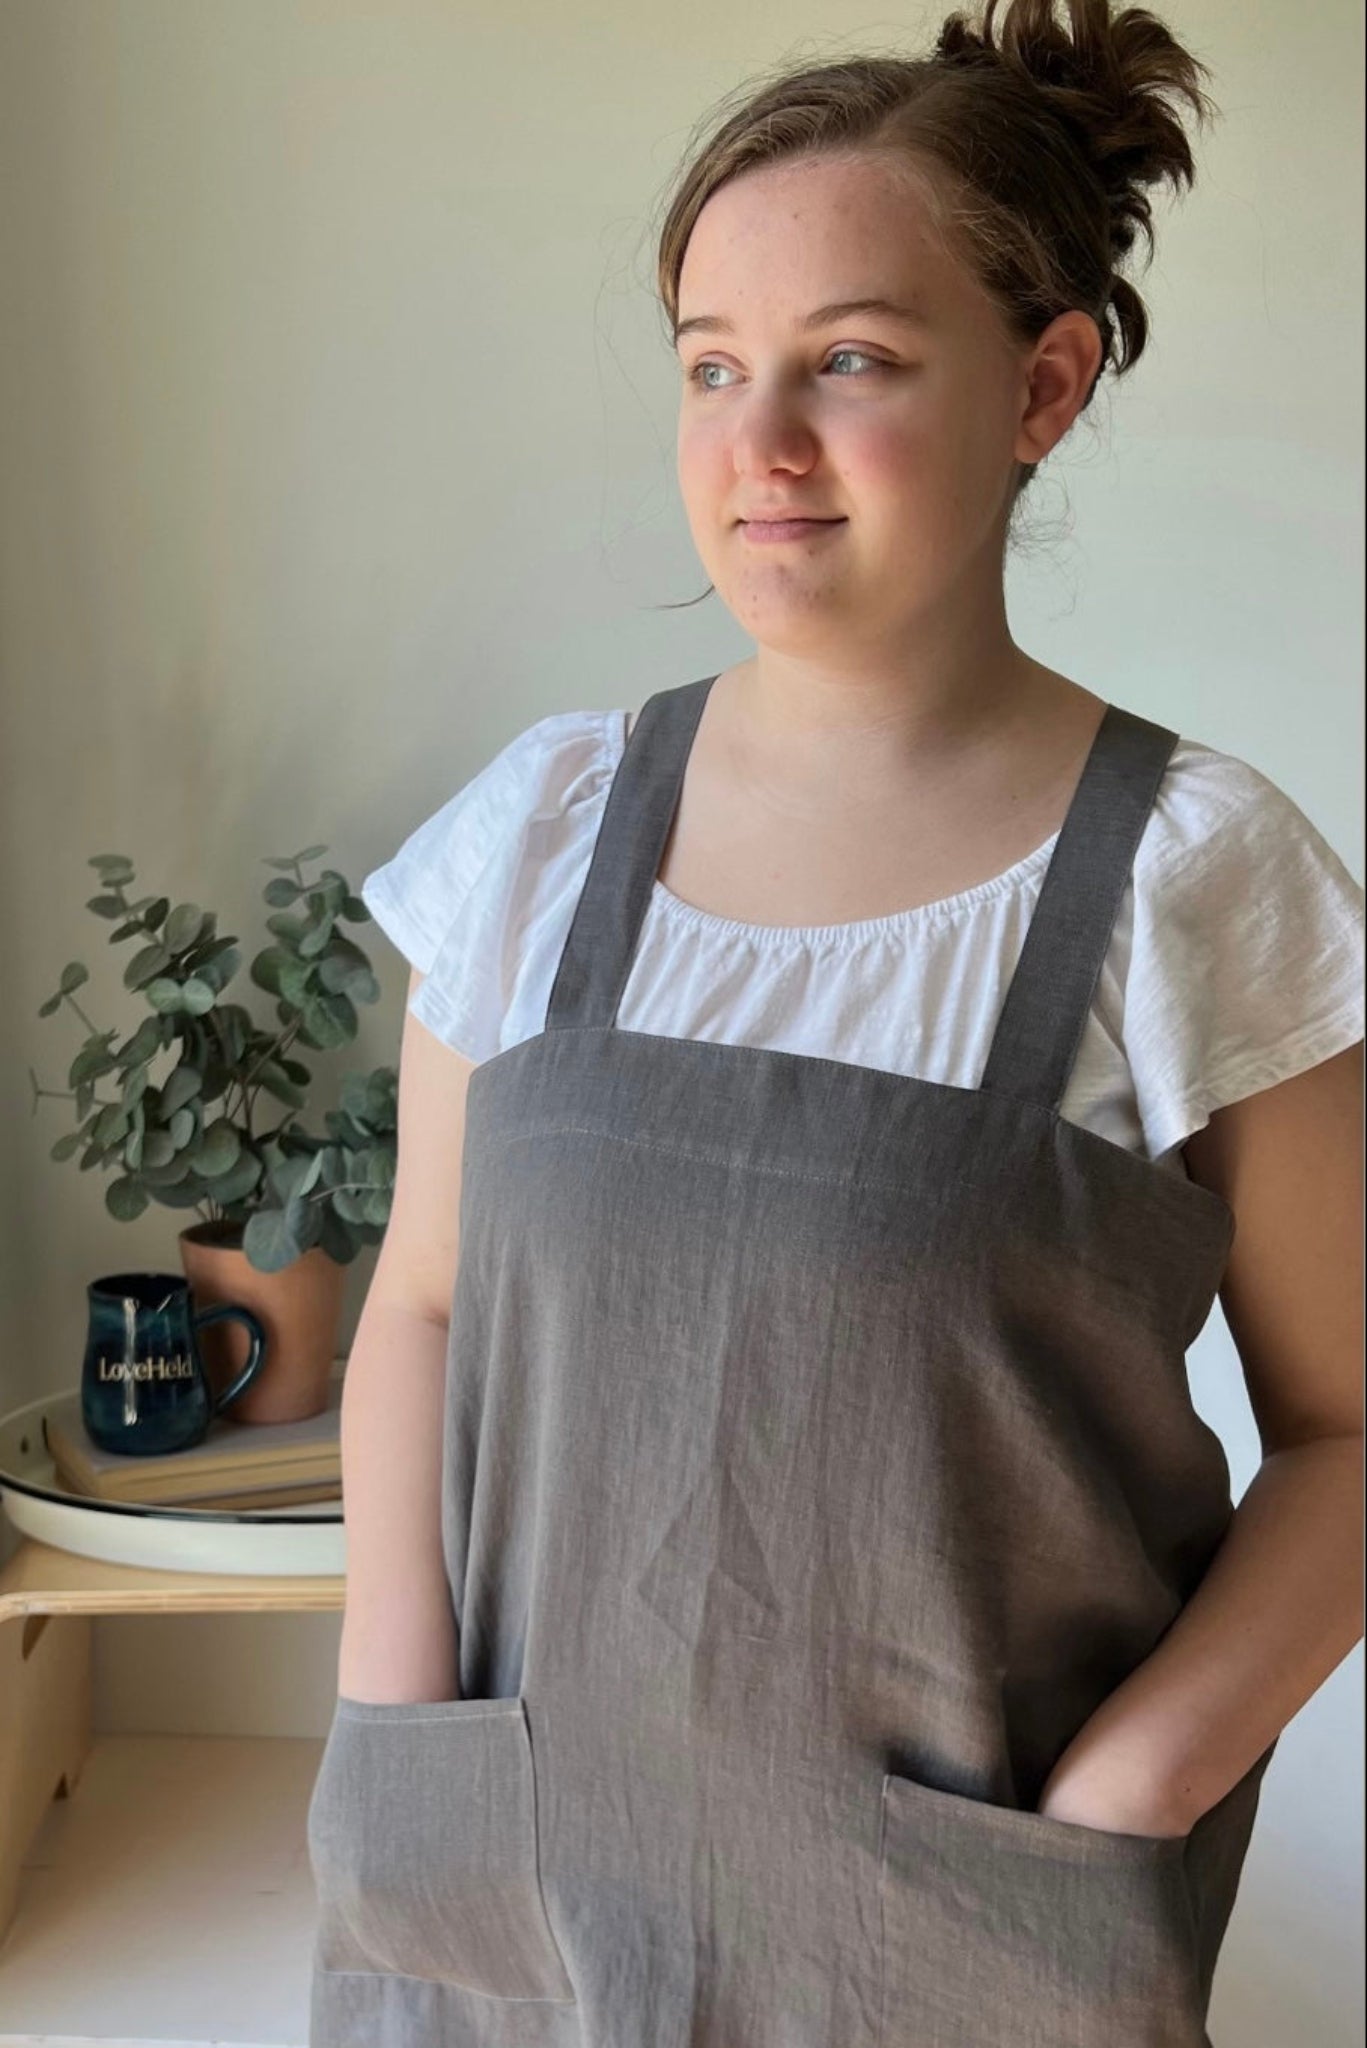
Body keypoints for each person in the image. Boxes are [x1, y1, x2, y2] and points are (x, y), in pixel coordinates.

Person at [306, 3, 1365, 2043]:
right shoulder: (540, 835)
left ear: (1044, 383)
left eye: (851, 360)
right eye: (712, 366)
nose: (759, 443)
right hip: (505, 1919)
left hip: (964, 1950)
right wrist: (397, 1724)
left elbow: (1349, 1434)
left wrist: (1127, 1797)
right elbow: (420, 1307)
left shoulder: (1198, 881)